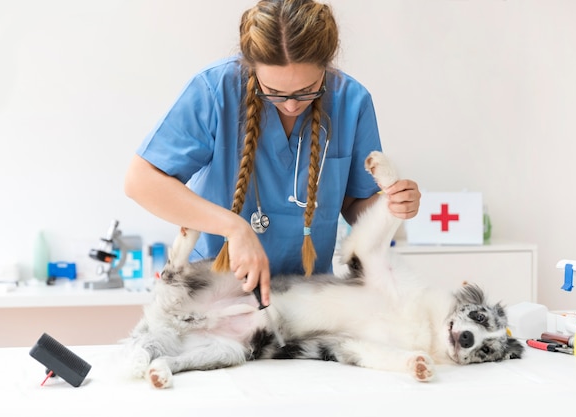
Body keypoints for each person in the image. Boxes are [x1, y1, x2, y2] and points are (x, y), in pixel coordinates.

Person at [124, 0, 420, 306]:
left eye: (308, 89)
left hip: (304, 302)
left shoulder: (351, 101)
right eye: (274, 92)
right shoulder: (216, 91)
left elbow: (355, 204)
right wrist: (234, 228)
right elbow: (140, 181)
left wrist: (392, 206)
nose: (292, 105)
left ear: (327, 67)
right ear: (250, 67)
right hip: (213, 297)